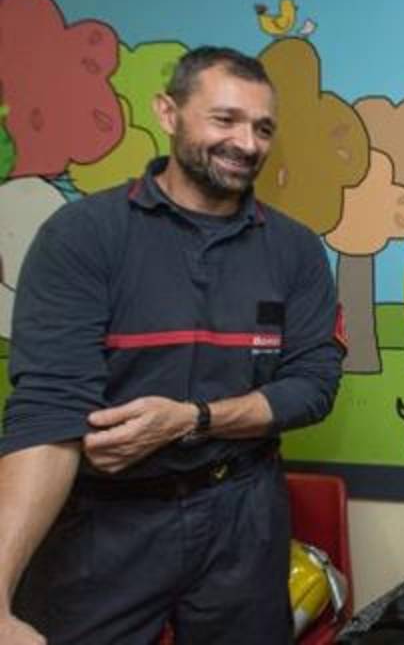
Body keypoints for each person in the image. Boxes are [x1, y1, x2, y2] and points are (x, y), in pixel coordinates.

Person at [0, 47, 344, 644]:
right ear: (168, 112)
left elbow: (312, 388)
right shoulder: (84, 236)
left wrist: (194, 420)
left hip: (242, 510)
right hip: (105, 520)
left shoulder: (295, 250)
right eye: (225, 119)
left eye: (263, 128)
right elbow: (47, 414)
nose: (247, 142)